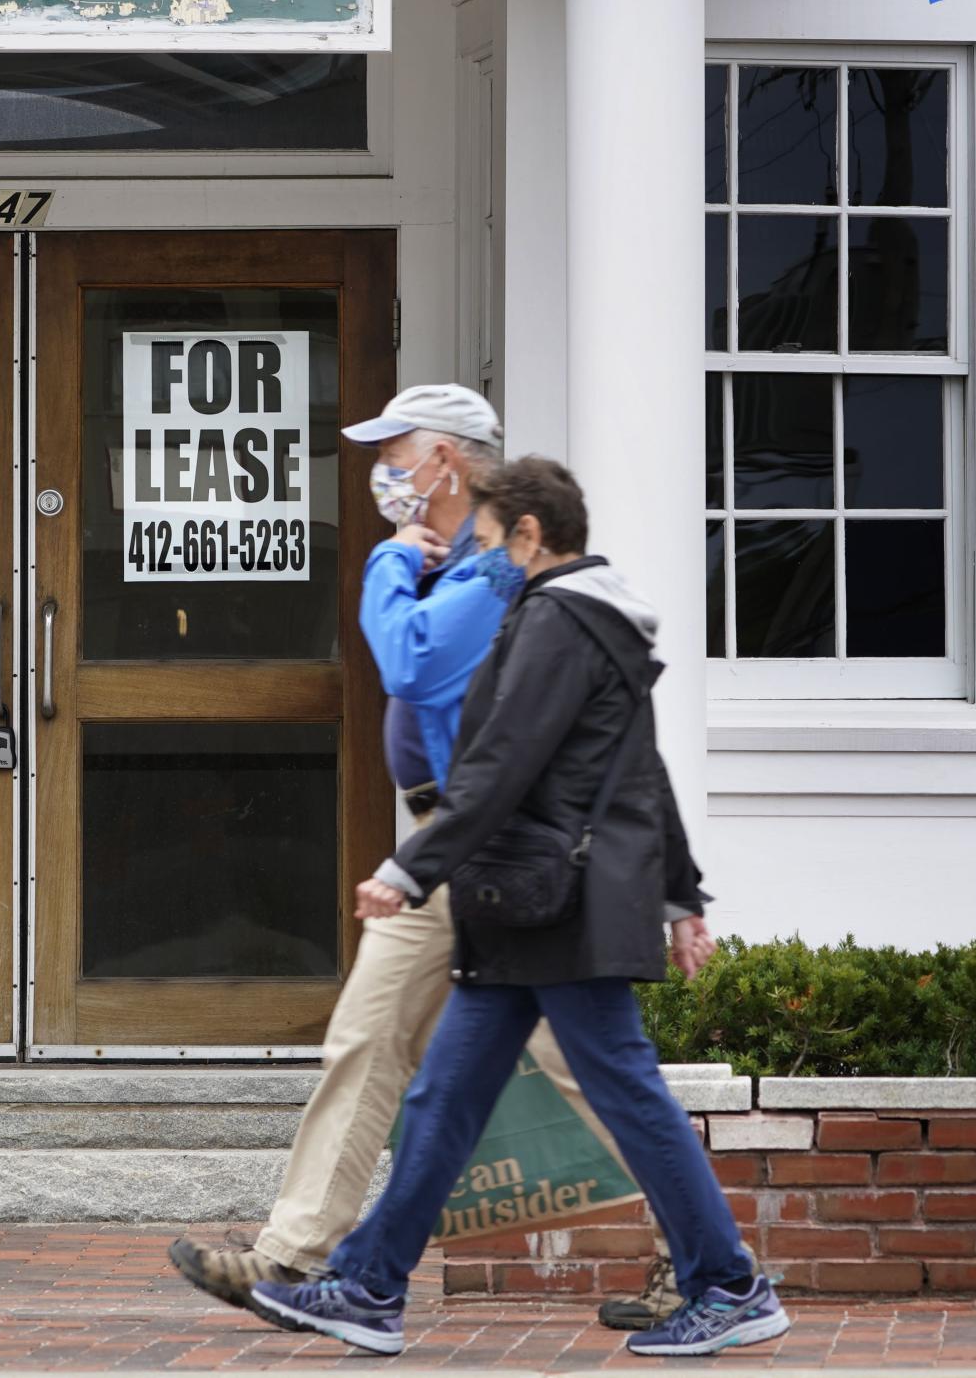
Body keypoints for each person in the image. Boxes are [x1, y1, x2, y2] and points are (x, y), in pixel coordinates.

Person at [168, 387, 688, 1332]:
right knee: (374, 1038)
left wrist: (389, 558)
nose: (385, 474)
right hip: (449, 845)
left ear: (450, 461)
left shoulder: (495, 570)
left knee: (583, 1068)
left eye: (397, 454)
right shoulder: (465, 567)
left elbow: (410, 664)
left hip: (488, 850)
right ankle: (296, 1257)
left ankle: (701, 1259)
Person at [246, 457, 789, 1359]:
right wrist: (682, 895)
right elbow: (642, 769)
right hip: (533, 904)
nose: (486, 558)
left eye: (493, 543)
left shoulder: (556, 618)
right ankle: (373, 1284)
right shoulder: (597, 620)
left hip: (555, 905)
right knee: (445, 1098)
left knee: (624, 1095)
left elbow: (502, 760)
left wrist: (413, 867)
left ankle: (728, 1282)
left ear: (531, 534)